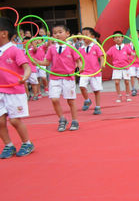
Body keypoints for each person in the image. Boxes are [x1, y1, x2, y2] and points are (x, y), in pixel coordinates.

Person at [36, 24, 82, 132]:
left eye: (60, 32)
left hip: (68, 77)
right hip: (55, 77)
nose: (57, 34)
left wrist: (80, 68)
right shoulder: (51, 48)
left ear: (67, 34)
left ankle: (75, 120)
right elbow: (47, 62)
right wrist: (37, 62)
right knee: (54, 99)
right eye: (55, 33)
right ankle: (62, 119)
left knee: (70, 101)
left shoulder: (71, 47)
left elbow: (78, 61)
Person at [0, 17, 34, 158]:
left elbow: (26, 67)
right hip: (1, 90)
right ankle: (8, 145)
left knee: (14, 120)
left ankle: (27, 143)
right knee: (0, 121)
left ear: (3, 33)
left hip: (14, 90)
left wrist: (25, 77)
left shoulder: (14, 50)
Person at [79, 27, 104, 115]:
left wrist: (102, 65)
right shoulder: (80, 49)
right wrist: (79, 67)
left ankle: (97, 107)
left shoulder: (95, 47)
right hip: (85, 72)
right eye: (83, 34)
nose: (84, 36)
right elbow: (78, 60)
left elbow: (101, 57)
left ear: (92, 36)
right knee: (82, 86)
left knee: (96, 90)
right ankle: (87, 100)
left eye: (87, 34)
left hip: (95, 72)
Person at [106, 31, 133, 103]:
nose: (118, 39)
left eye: (119, 37)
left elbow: (131, 53)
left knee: (127, 82)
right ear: (113, 39)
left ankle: (127, 95)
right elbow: (106, 55)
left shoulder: (126, 47)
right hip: (116, 68)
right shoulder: (112, 48)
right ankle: (119, 96)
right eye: (116, 38)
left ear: (122, 38)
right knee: (117, 82)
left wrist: (136, 53)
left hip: (125, 67)